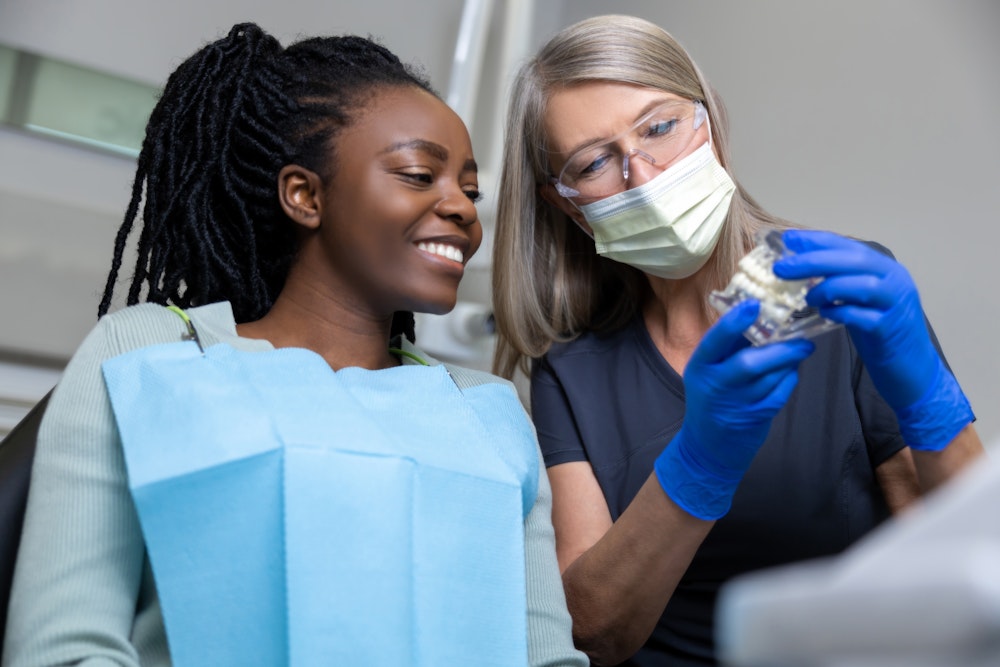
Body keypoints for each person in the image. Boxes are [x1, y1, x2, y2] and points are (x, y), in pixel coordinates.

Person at [2, 23, 587, 667]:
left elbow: (545, 657)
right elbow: (64, 648)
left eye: (470, 191)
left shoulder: (489, 410)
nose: (463, 209)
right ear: (305, 195)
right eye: (420, 174)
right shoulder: (144, 352)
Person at [490, 14, 984, 667]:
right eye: (594, 162)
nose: (642, 176)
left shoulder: (842, 294)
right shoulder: (570, 367)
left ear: (711, 124)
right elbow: (592, 630)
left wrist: (930, 398)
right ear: (569, 205)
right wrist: (700, 459)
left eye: (659, 127)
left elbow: (969, 561)